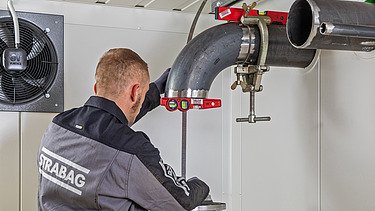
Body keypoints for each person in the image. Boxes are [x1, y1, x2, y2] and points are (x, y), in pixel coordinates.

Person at [37, 48, 209, 211]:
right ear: (135, 92)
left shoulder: (59, 125)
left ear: (96, 88)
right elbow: (179, 200)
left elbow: (109, 122)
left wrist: (154, 90)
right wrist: (203, 186)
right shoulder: (133, 149)